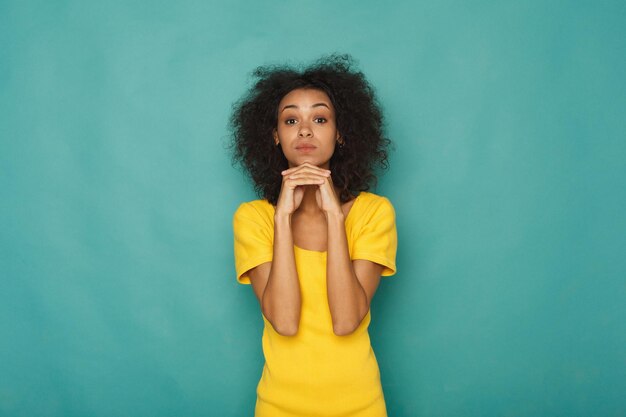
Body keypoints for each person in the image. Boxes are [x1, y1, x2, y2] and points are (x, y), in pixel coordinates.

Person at [230, 54, 397, 417]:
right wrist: (282, 219)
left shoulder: (373, 213)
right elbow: (285, 322)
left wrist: (336, 217)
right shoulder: (254, 219)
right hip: (278, 406)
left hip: (361, 405)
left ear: (340, 133)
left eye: (319, 119)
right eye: (291, 120)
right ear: (275, 135)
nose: (305, 130)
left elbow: (346, 321)